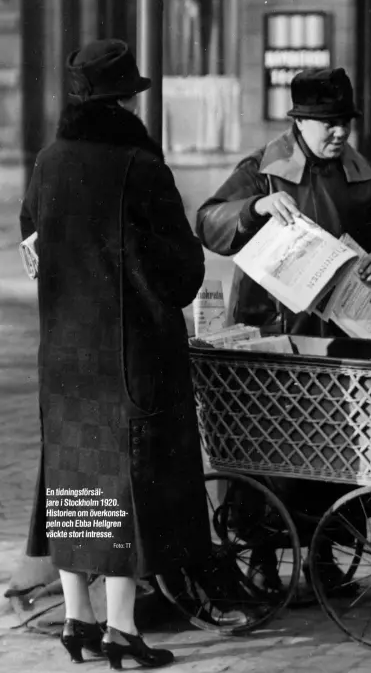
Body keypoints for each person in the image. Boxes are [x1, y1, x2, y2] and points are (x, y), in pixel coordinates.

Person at [20, 39, 210, 668]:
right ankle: (122, 632)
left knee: (75, 480)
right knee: (128, 486)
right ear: (127, 99)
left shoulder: (46, 162)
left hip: (64, 357)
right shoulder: (139, 165)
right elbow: (181, 272)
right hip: (133, 356)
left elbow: (32, 246)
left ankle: (79, 619)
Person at [196, 66, 371, 591]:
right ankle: (261, 559)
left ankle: (325, 557)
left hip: (337, 334)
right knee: (261, 449)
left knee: (332, 447)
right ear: (299, 123)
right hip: (268, 328)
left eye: (345, 123)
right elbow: (208, 220)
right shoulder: (263, 169)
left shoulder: (364, 175)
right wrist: (256, 206)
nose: (339, 133)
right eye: (327, 123)